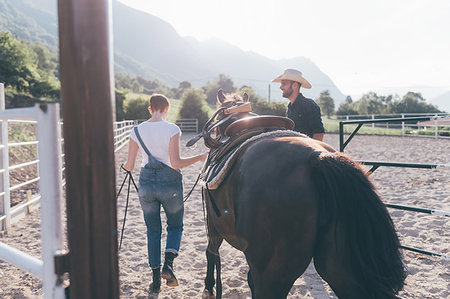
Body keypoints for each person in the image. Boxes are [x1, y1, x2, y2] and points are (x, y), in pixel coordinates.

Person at [122, 94, 207, 294]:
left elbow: (130, 165)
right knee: (175, 226)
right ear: (166, 109)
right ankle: (168, 265)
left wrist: (123, 166)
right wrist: (199, 157)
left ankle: (155, 282)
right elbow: (176, 163)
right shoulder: (172, 129)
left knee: (153, 231)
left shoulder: (136, 131)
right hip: (170, 184)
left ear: (150, 109)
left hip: (145, 184)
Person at [272, 69, 325, 141]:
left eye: (284, 84)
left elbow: (319, 134)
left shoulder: (309, 105)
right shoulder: (289, 108)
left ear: (294, 85)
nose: (281, 87)